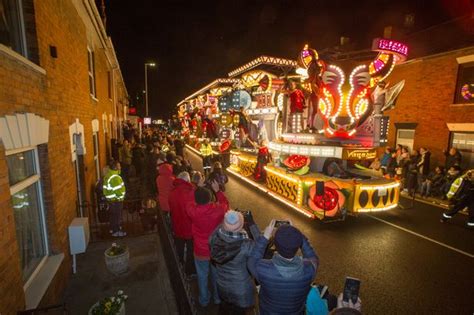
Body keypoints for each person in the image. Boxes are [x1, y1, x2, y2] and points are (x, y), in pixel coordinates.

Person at [248, 220, 319, 315]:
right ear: (298, 245)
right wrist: (296, 235)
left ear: (276, 246)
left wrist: (265, 237)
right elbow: (313, 257)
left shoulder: (263, 269)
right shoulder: (310, 269)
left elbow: (252, 261)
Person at [187, 181, 229, 307]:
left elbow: (189, 201)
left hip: (200, 250)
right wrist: (218, 191)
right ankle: (217, 298)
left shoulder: (192, 211)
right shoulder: (218, 210)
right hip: (215, 248)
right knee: (216, 275)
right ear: (210, 198)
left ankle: (204, 300)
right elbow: (226, 204)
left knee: (202, 275)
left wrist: (197, 187)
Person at [210, 210, 260, 314]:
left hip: (222, 285)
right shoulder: (247, 245)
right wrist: (251, 222)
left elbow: (221, 228)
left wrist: (229, 219)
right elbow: (260, 247)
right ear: (242, 226)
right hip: (240, 289)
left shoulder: (214, 237)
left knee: (225, 309)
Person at [168, 172, 196, 277]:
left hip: (177, 225)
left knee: (179, 248)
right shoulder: (191, 192)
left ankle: (179, 268)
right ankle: (190, 271)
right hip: (189, 227)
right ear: (187, 181)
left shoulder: (172, 192)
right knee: (190, 250)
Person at [102, 160, 126, 237]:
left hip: (111, 200)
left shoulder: (109, 175)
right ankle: (117, 231)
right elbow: (119, 190)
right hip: (116, 201)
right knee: (117, 216)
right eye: (119, 166)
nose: (120, 167)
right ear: (115, 167)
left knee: (113, 216)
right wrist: (122, 197)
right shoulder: (115, 178)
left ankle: (112, 229)